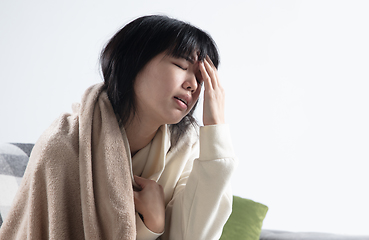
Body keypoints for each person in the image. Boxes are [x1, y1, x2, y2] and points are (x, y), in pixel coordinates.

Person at [0, 15, 236, 240]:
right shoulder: (63, 146)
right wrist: (153, 225)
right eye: (181, 65)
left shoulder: (186, 148)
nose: (193, 85)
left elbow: (196, 235)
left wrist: (215, 127)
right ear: (134, 62)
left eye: (201, 78)